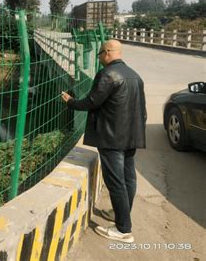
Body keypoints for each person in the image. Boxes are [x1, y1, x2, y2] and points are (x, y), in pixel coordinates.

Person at [61, 39, 146, 244]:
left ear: (107, 52)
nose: (99, 58)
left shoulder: (108, 74)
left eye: (99, 54)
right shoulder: (135, 75)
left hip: (112, 138)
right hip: (131, 136)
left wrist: (70, 102)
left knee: (116, 182)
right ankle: (122, 215)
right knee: (128, 179)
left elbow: (92, 101)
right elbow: (142, 111)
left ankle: (123, 229)